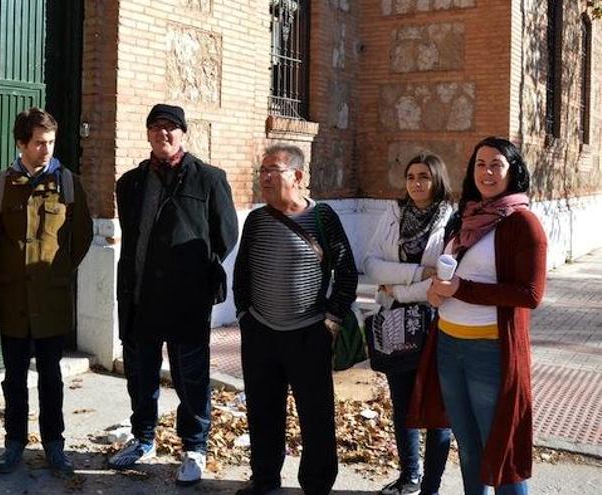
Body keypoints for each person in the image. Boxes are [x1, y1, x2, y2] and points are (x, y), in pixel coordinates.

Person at [410, 137, 548, 495]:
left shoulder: (523, 223)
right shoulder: (466, 216)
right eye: (480, 164)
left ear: (512, 171)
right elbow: (451, 276)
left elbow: (530, 295)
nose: (486, 172)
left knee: (500, 450)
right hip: (449, 346)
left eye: (496, 164)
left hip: (490, 352)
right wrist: (437, 292)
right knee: (469, 449)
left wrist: (461, 289)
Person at [110, 103, 238, 486]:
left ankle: (194, 446)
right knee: (141, 374)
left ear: (183, 133)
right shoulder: (129, 183)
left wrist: (193, 269)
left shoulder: (209, 179)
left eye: (171, 128)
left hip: (187, 299)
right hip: (140, 296)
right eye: (156, 128)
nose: (163, 134)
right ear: (148, 134)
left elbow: (226, 235)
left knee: (191, 376)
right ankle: (143, 438)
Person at [232, 144, 357, 495]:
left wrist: (330, 325)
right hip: (261, 334)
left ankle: (316, 485)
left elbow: (346, 275)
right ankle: (265, 478)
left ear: (298, 176)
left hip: (309, 335)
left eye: (274, 170)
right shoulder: (256, 220)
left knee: (316, 417)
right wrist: (244, 316)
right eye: (262, 170)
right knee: (262, 411)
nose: (265, 177)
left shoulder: (323, 218)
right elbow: (241, 274)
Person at [0, 108, 93, 477]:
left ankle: (54, 444)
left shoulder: (70, 184)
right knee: (14, 378)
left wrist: (55, 272)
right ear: (21, 144)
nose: (46, 150)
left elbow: (81, 238)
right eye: (39, 143)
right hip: (13, 300)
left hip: (51, 299)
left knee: (51, 378)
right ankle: (13, 443)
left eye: (51, 143)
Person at [363, 154, 454, 495]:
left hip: (435, 323)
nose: (416, 183)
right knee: (402, 404)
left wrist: (399, 286)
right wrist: (416, 274)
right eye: (411, 176)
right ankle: (409, 477)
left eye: (424, 177)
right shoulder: (392, 214)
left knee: (435, 406)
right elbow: (371, 265)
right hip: (396, 320)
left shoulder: (451, 219)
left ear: (437, 180)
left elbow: (444, 278)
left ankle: (431, 485)